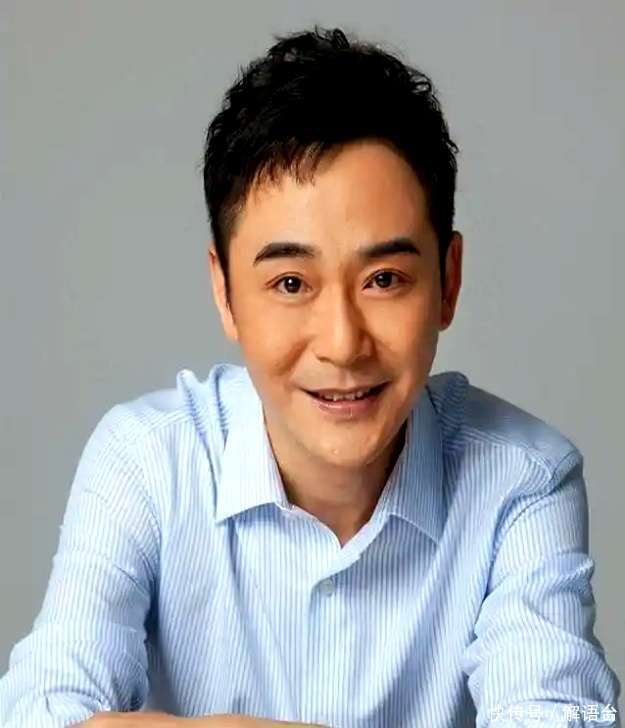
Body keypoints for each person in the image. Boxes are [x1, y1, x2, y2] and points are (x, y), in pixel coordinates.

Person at [0, 25, 620, 728]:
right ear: (225, 292)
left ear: (448, 282)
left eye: (384, 279)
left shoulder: (521, 479)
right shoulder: (148, 459)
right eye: (291, 283)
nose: (342, 343)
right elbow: (42, 712)